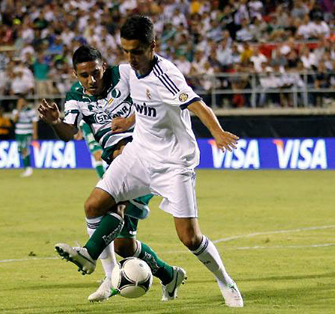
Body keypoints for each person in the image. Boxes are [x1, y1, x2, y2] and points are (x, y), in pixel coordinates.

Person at [50, 16, 244, 307]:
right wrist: (129, 119)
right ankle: (93, 259)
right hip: (139, 154)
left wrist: (217, 133)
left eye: (137, 51)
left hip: (174, 163)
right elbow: (144, 105)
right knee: (94, 206)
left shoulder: (165, 74)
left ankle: (225, 280)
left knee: (190, 238)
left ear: (153, 46)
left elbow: (196, 104)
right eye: (126, 51)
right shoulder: (129, 71)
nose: (131, 58)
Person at [39, 45, 186, 302]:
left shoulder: (127, 75)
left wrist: (131, 122)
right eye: (84, 75)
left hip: (145, 158)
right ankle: (169, 274)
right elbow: (68, 133)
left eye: (95, 72)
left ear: (104, 66)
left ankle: (93, 259)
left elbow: (156, 97)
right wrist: (54, 122)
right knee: (124, 245)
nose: (91, 79)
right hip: (116, 165)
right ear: (75, 74)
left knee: (107, 207)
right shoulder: (76, 97)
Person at [12, 96, 38, 177]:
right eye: (19, 102)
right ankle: (26, 168)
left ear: (25, 102)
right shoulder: (16, 111)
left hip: (27, 132)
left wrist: (35, 133)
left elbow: (35, 122)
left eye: (22, 102)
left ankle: (28, 168)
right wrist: (18, 111)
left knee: (25, 148)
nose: (20, 103)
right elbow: (14, 120)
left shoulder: (30, 111)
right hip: (19, 132)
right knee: (20, 149)